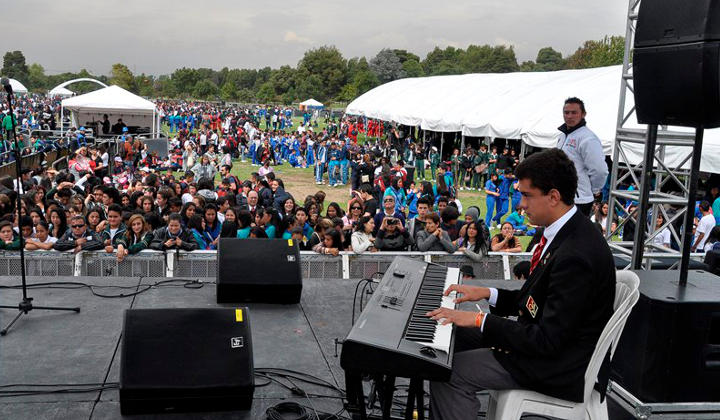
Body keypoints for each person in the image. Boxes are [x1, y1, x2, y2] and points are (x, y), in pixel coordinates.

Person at [427, 148, 616, 420]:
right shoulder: (566, 232)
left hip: (558, 366)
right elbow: (536, 301)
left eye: (527, 195)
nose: (522, 204)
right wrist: (487, 293)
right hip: (546, 347)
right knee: (451, 330)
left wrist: (480, 320)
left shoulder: (575, 256)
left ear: (553, 197)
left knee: (450, 373)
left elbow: (547, 341)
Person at [556, 97, 608, 216]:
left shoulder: (588, 138)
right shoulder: (562, 136)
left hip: (579, 200)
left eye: (574, 112)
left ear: (583, 114)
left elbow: (599, 170)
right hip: (562, 197)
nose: (569, 116)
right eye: (566, 112)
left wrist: (592, 190)